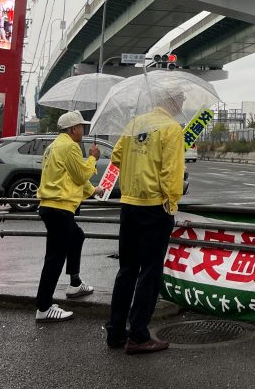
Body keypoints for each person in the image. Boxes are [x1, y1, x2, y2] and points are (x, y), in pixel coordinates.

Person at [105, 93, 185, 354]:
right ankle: (138, 336)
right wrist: (171, 202)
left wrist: (137, 165)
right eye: (181, 103)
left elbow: (116, 156)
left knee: (127, 269)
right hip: (154, 207)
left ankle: (115, 331)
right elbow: (171, 172)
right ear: (175, 103)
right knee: (150, 272)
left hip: (129, 204)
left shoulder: (134, 123)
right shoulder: (171, 128)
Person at [34, 111, 103, 323]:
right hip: (60, 208)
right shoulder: (70, 146)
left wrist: (93, 191)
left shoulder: (54, 146)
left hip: (51, 206)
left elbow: (72, 177)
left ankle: (75, 283)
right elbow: (81, 174)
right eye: (81, 126)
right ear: (73, 129)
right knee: (54, 258)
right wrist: (93, 158)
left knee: (77, 236)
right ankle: (44, 308)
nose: (83, 130)